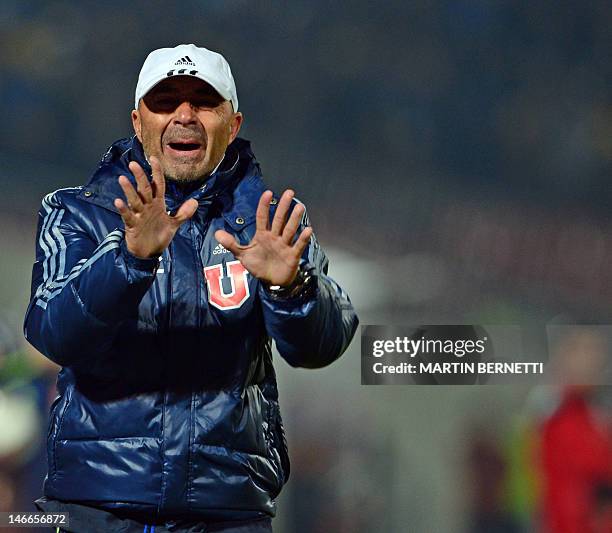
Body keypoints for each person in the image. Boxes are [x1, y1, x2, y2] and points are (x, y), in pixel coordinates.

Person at [23, 43, 358, 533]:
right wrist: (128, 260)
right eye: (165, 101)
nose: (184, 114)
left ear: (234, 124)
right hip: (97, 508)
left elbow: (322, 345)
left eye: (203, 101)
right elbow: (53, 333)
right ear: (138, 122)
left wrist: (293, 287)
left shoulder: (270, 225)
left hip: (228, 513)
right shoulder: (77, 213)